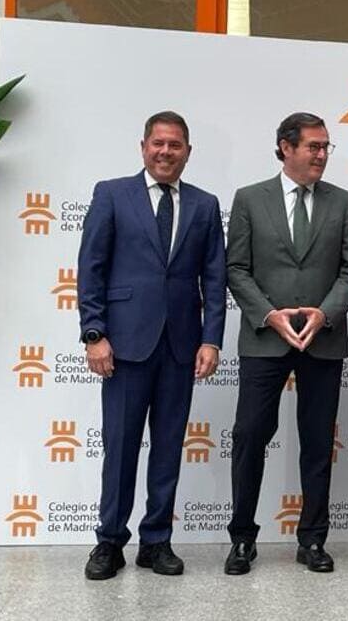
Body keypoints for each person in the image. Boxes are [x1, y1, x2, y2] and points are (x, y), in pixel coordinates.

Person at [77, 110, 226, 580]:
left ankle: (156, 540)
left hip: (180, 346)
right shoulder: (112, 194)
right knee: (120, 445)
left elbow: (215, 278)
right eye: (158, 143)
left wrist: (212, 339)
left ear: (188, 151)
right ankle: (109, 541)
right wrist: (95, 334)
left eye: (175, 145)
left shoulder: (204, 205)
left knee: (167, 447)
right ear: (143, 147)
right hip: (123, 344)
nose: (166, 152)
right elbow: (92, 268)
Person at [223, 112, 348, 575]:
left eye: (326, 148)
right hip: (265, 338)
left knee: (318, 441)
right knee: (248, 437)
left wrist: (325, 313)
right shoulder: (249, 199)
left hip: (322, 340)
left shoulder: (343, 203)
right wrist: (268, 314)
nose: (321, 155)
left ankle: (313, 539)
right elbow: (236, 268)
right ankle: (242, 537)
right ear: (285, 147)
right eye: (313, 147)